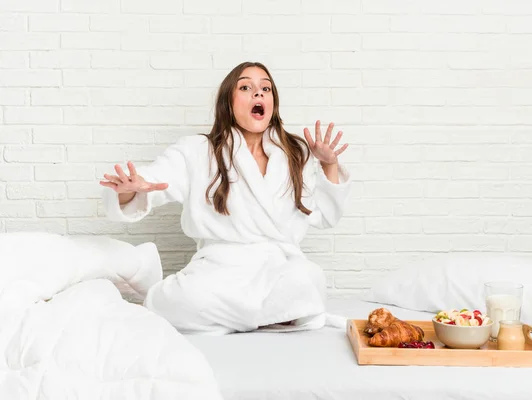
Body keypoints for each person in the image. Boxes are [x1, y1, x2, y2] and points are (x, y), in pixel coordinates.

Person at [100, 61, 351, 335]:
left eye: (265, 88)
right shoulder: (198, 150)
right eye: (246, 87)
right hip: (220, 270)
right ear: (228, 103)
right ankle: (272, 315)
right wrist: (132, 187)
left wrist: (329, 165)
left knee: (307, 278)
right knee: (175, 299)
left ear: (273, 102)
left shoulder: (296, 153)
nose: (258, 93)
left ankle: (243, 316)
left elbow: (325, 215)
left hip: (278, 268)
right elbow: (155, 179)